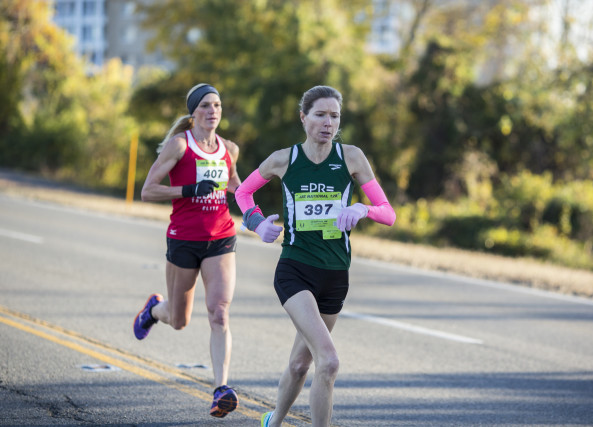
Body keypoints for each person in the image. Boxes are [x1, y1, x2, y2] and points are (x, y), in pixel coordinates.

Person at [234, 85, 396, 427]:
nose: (327, 123)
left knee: (299, 365)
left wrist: (362, 210)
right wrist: (256, 222)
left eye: (334, 116)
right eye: (320, 115)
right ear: (303, 117)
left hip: (336, 275)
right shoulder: (283, 159)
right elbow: (244, 192)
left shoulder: (351, 157)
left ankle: (273, 420)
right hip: (296, 270)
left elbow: (387, 212)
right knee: (330, 361)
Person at [133, 83, 241, 418]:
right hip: (184, 239)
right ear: (193, 113)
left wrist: (256, 211)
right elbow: (148, 191)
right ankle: (154, 310)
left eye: (218, 105)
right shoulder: (180, 145)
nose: (213, 111)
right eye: (206, 106)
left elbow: (236, 187)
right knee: (179, 320)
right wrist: (188, 190)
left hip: (221, 237)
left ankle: (220, 388)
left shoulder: (230, 149)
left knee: (219, 312)